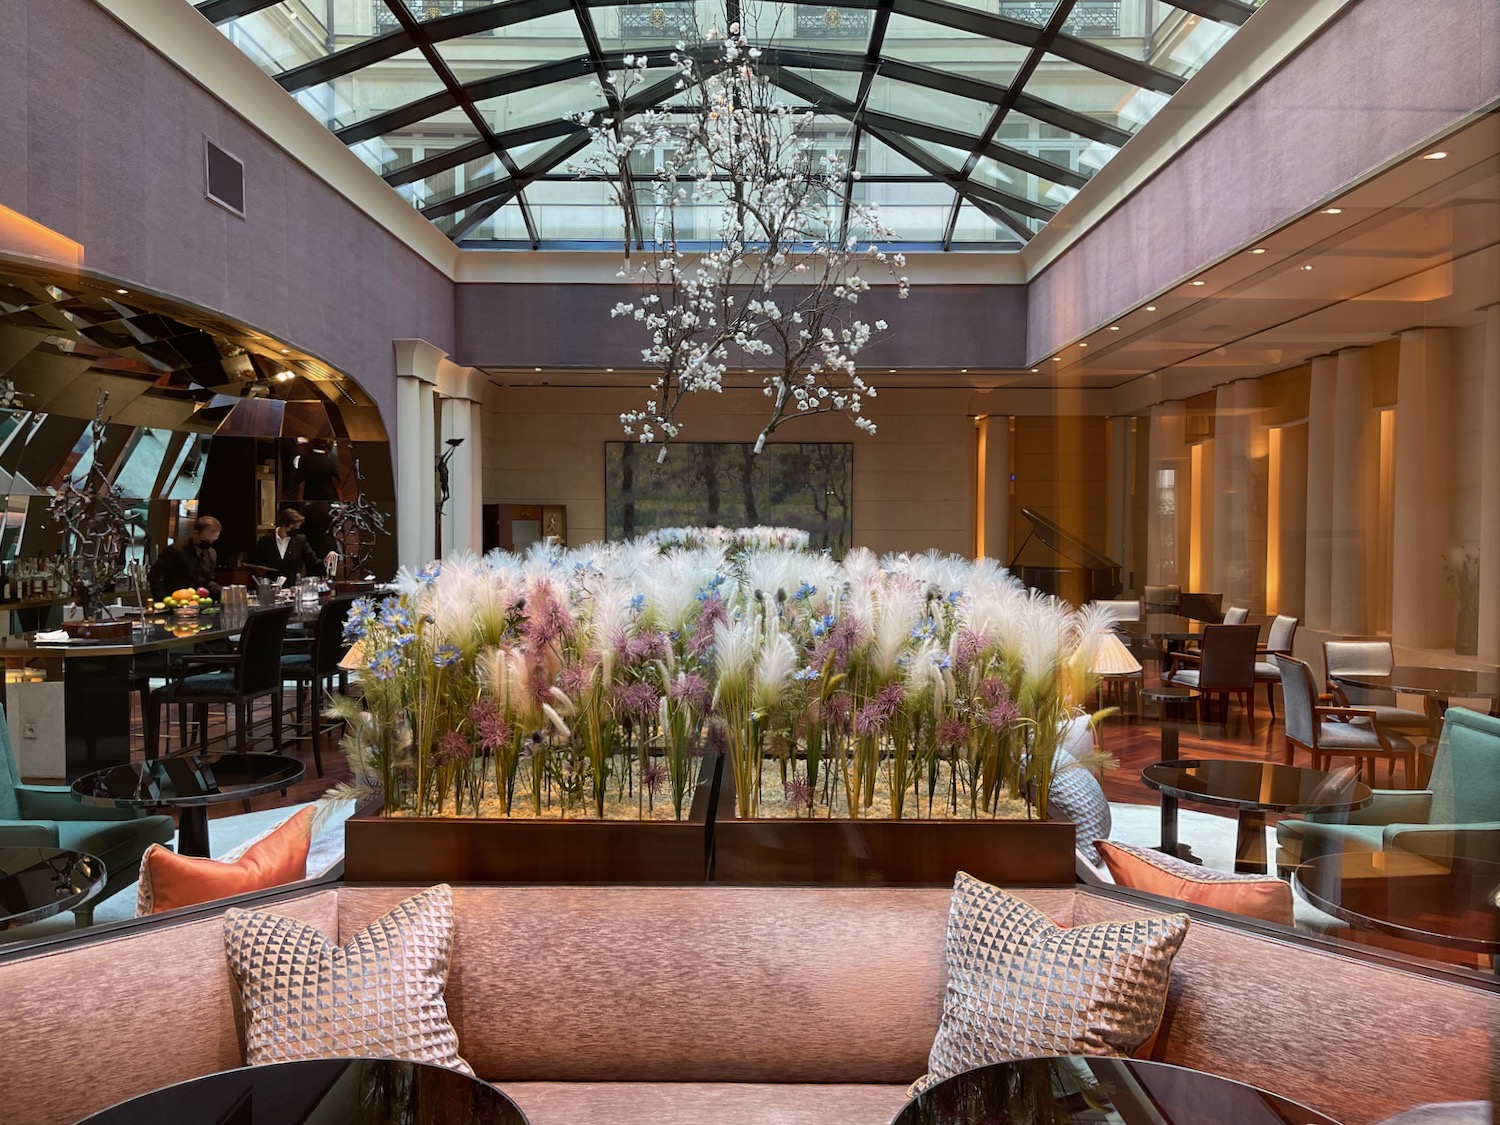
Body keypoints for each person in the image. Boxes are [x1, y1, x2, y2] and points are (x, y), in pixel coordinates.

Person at [253, 508, 334, 585]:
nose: (297, 529)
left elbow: (313, 563)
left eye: (298, 526)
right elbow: (258, 565)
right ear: (284, 525)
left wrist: (325, 562)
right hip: (271, 589)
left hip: (293, 588)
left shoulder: (300, 541)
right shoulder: (265, 541)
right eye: (294, 527)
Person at [148, 516, 222, 599]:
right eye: (207, 540)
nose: (210, 543)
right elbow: (154, 576)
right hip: (175, 601)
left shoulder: (211, 554)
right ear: (195, 534)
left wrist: (222, 592)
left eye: (213, 541)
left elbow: (208, 580)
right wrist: (163, 599)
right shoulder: (175, 550)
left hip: (198, 602)